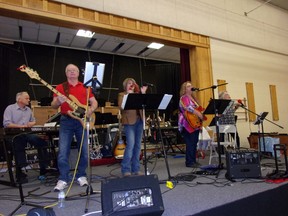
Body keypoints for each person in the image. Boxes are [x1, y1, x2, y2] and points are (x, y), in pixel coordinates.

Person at [51, 64, 98, 191]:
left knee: (84, 150)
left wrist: (91, 110)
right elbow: (53, 106)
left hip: (81, 121)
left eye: (74, 70)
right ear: (66, 73)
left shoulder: (86, 87)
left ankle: (81, 175)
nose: (72, 72)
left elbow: (94, 102)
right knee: (63, 151)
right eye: (69, 71)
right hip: (66, 120)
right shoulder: (60, 87)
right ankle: (63, 178)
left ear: (78, 73)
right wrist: (58, 102)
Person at [3, 91, 49, 183]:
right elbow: (6, 124)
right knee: (18, 143)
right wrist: (21, 126)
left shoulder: (28, 110)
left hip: (26, 133)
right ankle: (20, 172)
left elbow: (33, 121)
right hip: (13, 134)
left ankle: (44, 167)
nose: (29, 100)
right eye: (26, 98)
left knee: (41, 142)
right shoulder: (10, 108)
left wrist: (31, 123)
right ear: (19, 99)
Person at [118, 78, 148, 176]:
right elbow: (121, 107)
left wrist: (143, 94)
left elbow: (144, 104)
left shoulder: (137, 95)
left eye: (133, 83)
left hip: (139, 121)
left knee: (138, 146)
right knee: (130, 145)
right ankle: (126, 169)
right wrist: (128, 95)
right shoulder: (122, 95)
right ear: (125, 85)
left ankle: (136, 169)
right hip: (129, 122)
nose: (131, 85)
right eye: (129, 83)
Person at [178, 81, 203, 168]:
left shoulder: (193, 98)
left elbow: (197, 108)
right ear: (184, 89)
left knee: (194, 142)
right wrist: (198, 113)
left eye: (191, 85)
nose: (191, 87)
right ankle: (189, 162)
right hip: (187, 123)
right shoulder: (184, 98)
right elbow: (187, 107)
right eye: (188, 86)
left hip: (195, 123)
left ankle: (193, 160)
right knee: (190, 142)